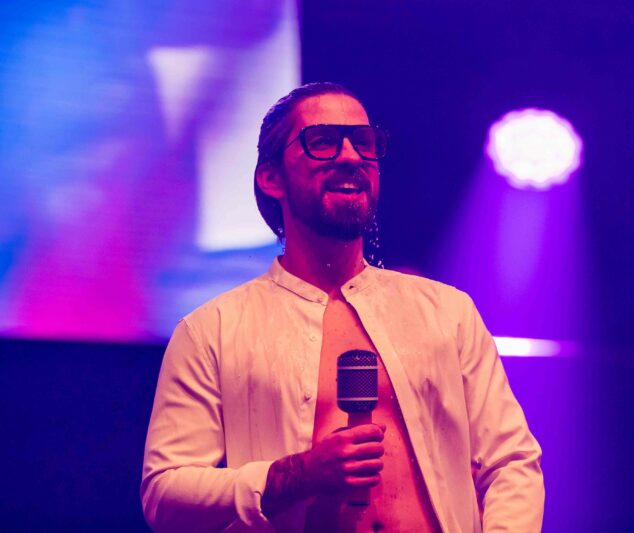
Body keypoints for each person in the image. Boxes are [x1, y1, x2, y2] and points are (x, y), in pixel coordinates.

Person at [141, 82, 544, 532]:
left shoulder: (447, 313)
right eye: (323, 141)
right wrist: (294, 475)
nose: (351, 156)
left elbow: (510, 461)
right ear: (271, 178)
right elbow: (165, 494)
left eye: (364, 142)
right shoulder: (212, 330)